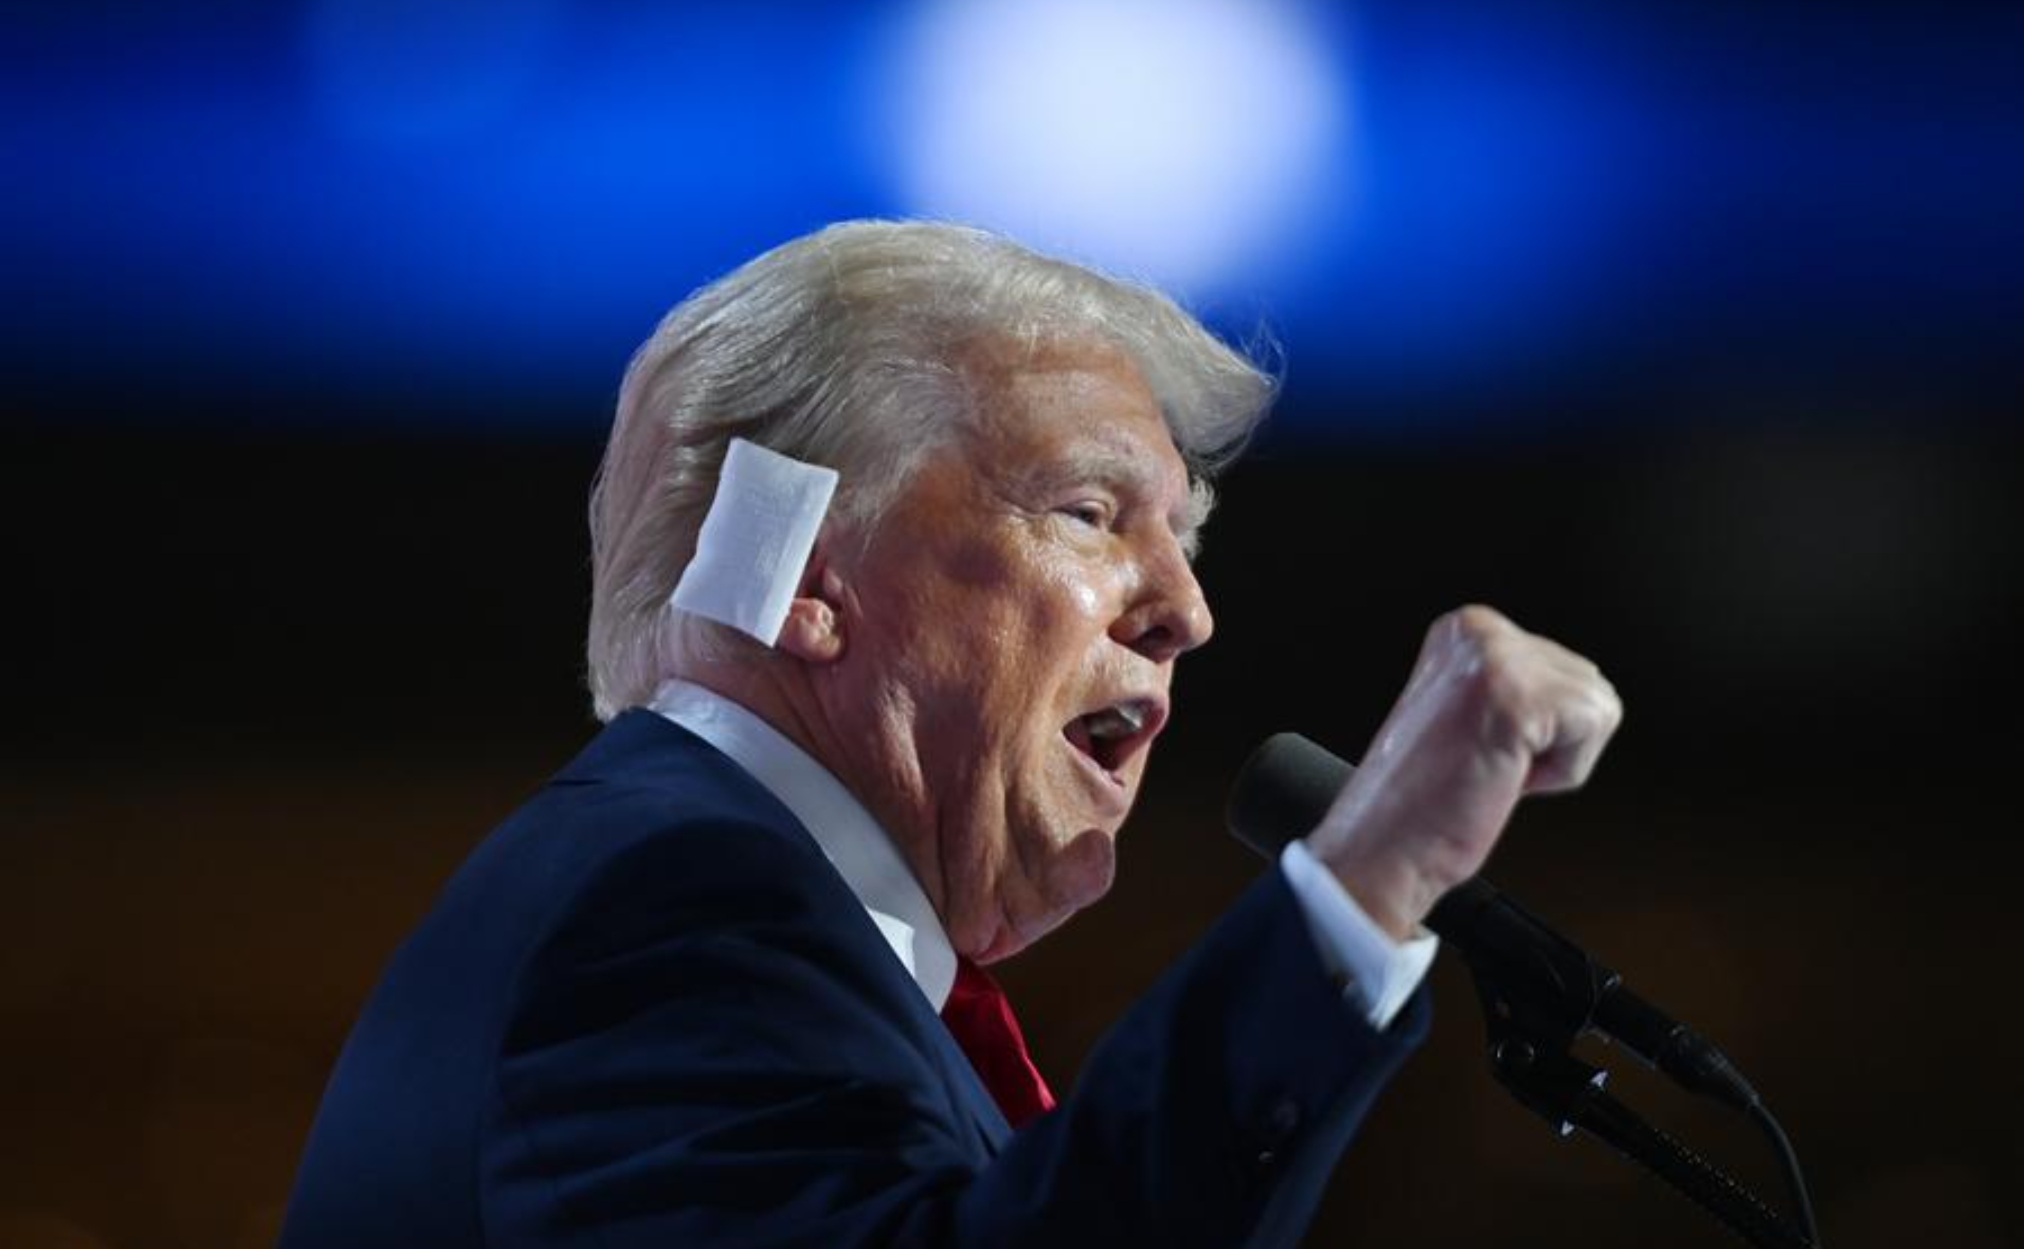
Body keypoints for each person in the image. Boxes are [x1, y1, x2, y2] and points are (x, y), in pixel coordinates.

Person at [280, 221, 1621, 1246]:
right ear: (804, 578)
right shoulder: (671, 903)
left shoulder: (723, 913)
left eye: (1184, 537)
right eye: (1091, 513)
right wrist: (1367, 880)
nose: (1187, 613)